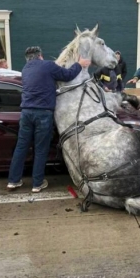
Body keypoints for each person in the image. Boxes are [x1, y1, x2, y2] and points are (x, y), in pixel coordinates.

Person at [7, 46, 91, 192]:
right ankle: (37, 184)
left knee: (21, 147)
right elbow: (68, 75)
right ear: (41, 55)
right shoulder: (48, 66)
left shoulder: (25, 69)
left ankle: (13, 181)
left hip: (26, 113)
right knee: (40, 149)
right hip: (43, 114)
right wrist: (80, 64)